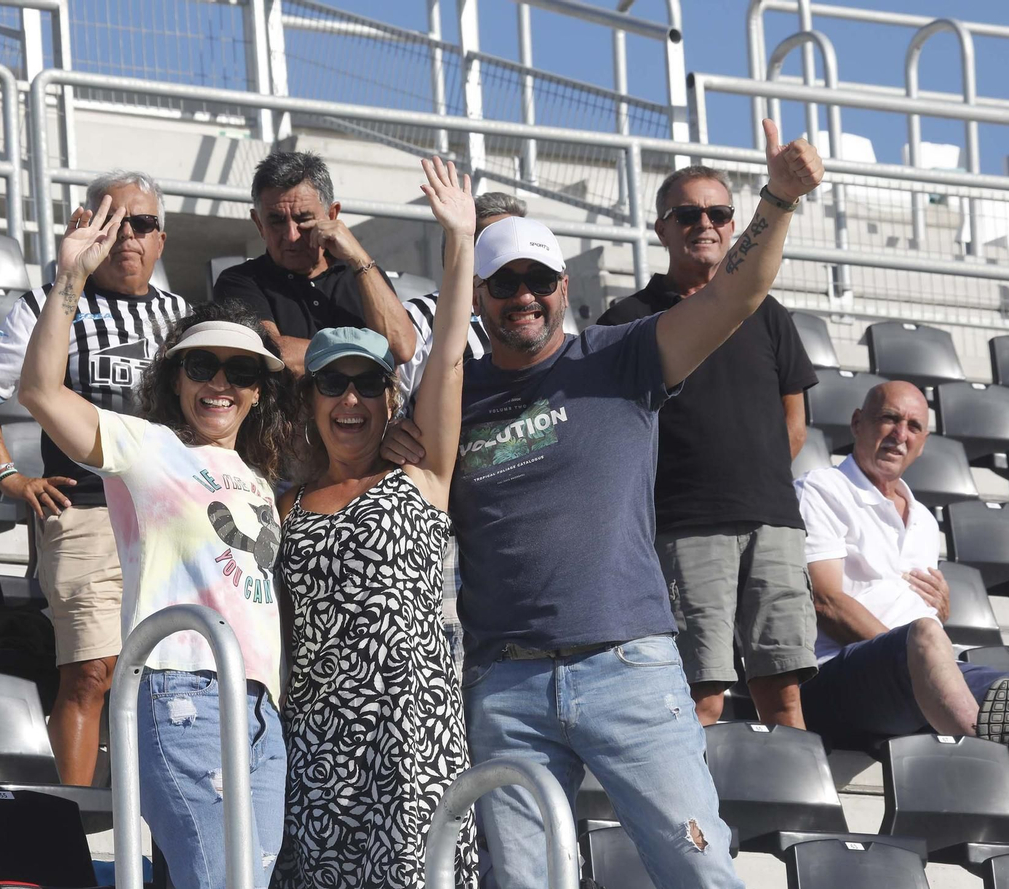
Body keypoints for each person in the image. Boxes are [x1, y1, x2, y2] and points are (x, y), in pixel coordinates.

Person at [383, 120, 822, 889]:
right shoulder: (454, 394)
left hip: (629, 664)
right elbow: (436, 369)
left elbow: (735, 293)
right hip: (506, 681)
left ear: (564, 287)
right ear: (479, 295)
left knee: (699, 869)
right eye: (505, 283)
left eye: (540, 280)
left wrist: (777, 199)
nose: (525, 297)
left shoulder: (622, 355)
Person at [19, 193, 296, 889]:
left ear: (260, 390)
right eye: (202, 366)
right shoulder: (148, 447)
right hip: (182, 691)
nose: (220, 383)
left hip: (261, 706)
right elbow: (40, 392)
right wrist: (69, 282)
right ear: (175, 377)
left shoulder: (261, 477)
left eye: (240, 372)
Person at [273, 158, 478, 889]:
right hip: (318, 740)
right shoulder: (287, 504)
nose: (350, 399)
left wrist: (459, 241)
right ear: (312, 400)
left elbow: (447, 356)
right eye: (332, 383)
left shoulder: (421, 475)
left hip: (411, 734)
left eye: (367, 383)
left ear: (389, 399)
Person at [0, 170, 191, 788]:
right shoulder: (47, 304)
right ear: (87, 227)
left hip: (167, 517)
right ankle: (73, 818)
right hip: (84, 510)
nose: (129, 238)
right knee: (90, 671)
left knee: (173, 676)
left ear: (162, 240)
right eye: (115, 223)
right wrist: (8, 476)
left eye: (143, 224)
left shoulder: (183, 318)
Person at [796, 381, 1009, 830]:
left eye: (913, 426)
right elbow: (825, 599)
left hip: (917, 671)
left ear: (923, 443)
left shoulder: (925, 520)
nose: (899, 433)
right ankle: (985, 762)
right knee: (928, 635)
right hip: (838, 675)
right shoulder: (822, 488)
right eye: (889, 418)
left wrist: (932, 625)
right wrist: (916, 648)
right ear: (858, 422)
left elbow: (909, 607)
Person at [596, 165, 819, 729]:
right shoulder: (625, 321)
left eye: (718, 214)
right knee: (701, 700)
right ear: (660, 228)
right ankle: (696, 820)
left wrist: (750, 482)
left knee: (784, 691)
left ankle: (789, 814)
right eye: (688, 214)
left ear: (733, 224)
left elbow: (795, 423)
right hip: (685, 527)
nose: (705, 224)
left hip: (773, 523)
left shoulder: (768, 313)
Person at [213, 150, 416, 376]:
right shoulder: (240, 281)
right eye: (276, 221)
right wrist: (370, 352)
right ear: (259, 224)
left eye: (304, 219)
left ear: (332, 215)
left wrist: (359, 257)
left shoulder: (364, 274)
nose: (291, 235)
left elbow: (401, 348)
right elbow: (271, 356)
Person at [394, 191, 524, 408]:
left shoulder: (535, 313)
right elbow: (392, 406)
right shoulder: (418, 316)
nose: (516, 253)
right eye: (500, 244)